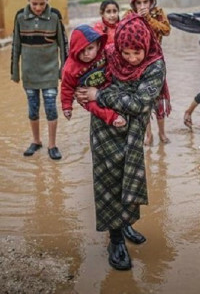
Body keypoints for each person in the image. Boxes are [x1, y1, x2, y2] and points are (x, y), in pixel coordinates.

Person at [74, 14, 166, 270]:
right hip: (104, 130)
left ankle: (124, 223)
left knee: (128, 180)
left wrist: (100, 94)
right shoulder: (109, 54)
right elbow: (82, 72)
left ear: (146, 45)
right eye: (126, 53)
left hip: (133, 131)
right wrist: (85, 92)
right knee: (107, 183)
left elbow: (139, 103)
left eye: (136, 53)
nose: (131, 59)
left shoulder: (155, 65)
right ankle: (115, 240)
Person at [11, 0, 67, 160]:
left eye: (42, 4)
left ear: (47, 0)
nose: (38, 8)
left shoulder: (55, 16)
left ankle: (52, 145)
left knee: (51, 107)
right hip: (29, 73)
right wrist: (15, 72)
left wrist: (63, 70)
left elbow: (63, 45)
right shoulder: (20, 17)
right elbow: (15, 46)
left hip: (49, 72)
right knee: (33, 109)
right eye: (34, 4)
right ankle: (36, 141)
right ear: (28, 1)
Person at [123, 0, 171, 145]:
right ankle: (148, 134)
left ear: (151, 2)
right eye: (139, 3)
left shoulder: (158, 13)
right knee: (143, 100)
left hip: (156, 62)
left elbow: (166, 30)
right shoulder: (129, 15)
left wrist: (149, 19)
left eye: (146, 2)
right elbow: (121, 34)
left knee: (158, 99)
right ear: (134, 4)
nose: (143, 6)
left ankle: (162, 133)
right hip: (137, 63)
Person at [60, 24, 126, 127]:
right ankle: (112, 117)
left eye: (90, 48)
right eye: (81, 50)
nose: (86, 54)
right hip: (86, 94)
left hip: (107, 87)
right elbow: (66, 87)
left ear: (98, 46)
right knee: (92, 105)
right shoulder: (70, 68)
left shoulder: (105, 53)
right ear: (73, 49)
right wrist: (67, 107)